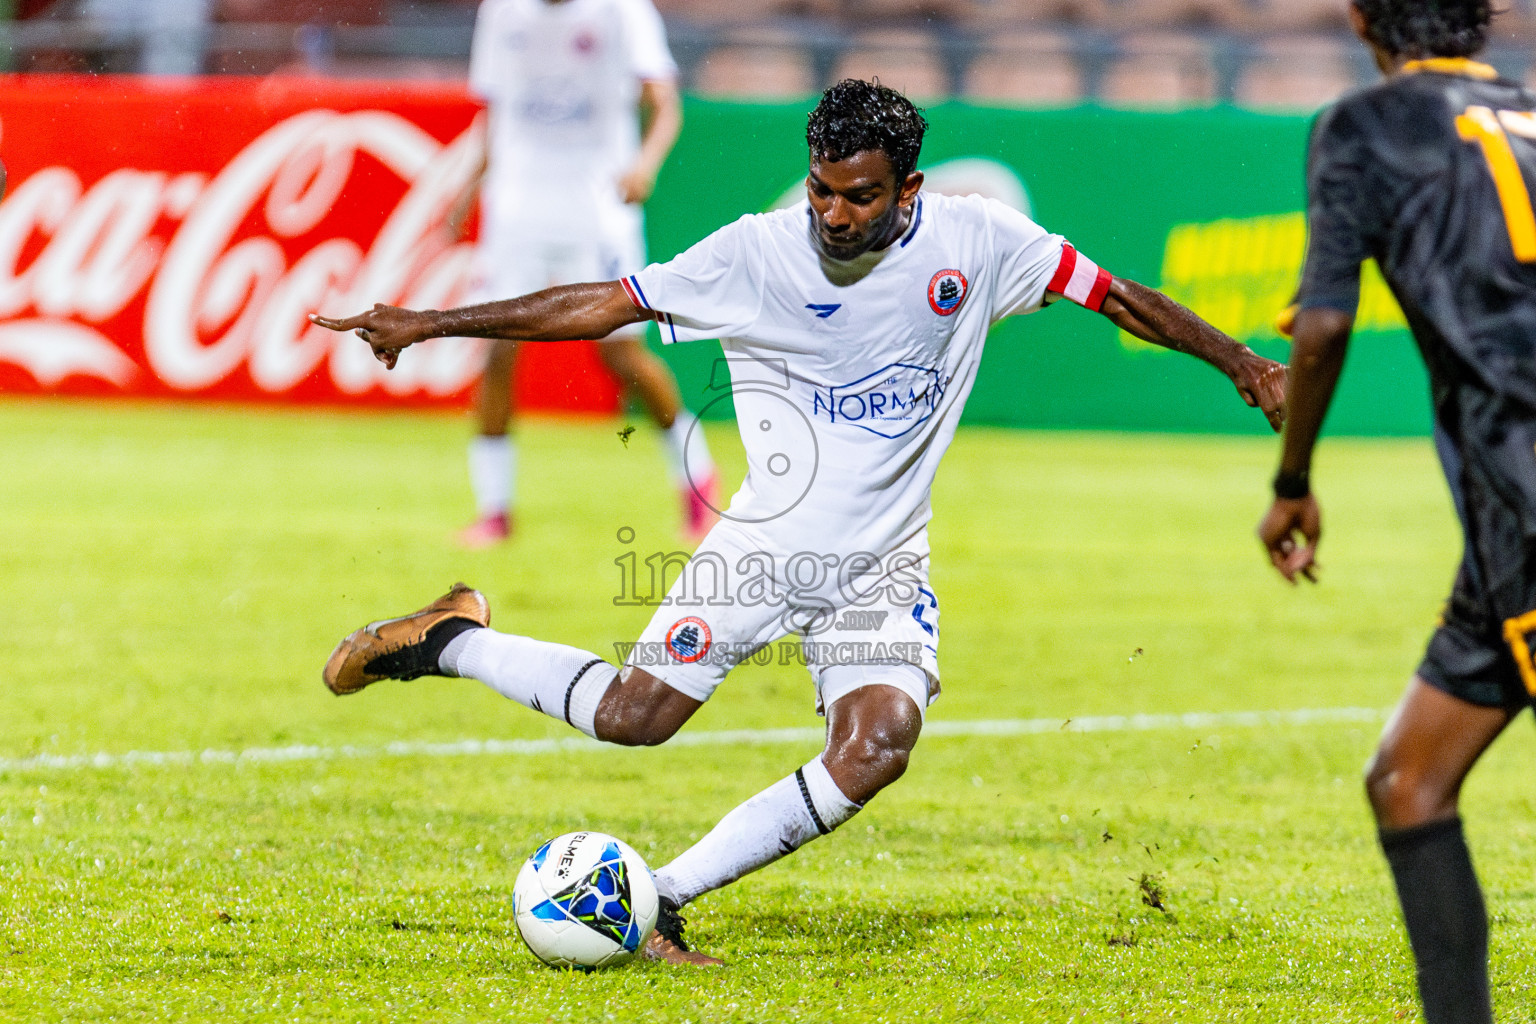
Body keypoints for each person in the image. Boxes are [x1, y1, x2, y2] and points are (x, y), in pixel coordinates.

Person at [313, 79, 1287, 965]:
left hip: (883, 560)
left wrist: (1243, 366)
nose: (832, 212)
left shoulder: (980, 241)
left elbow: (1118, 297)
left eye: (859, 195)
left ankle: (663, 899)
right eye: (823, 188)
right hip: (766, 546)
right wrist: (432, 322)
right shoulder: (758, 253)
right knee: (633, 718)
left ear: (910, 190)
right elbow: (600, 305)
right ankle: (449, 639)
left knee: (876, 748)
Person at [1258, 2, 1533, 1021]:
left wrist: (1292, 481)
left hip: (1527, 495)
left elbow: (1324, 320)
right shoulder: (1528, 115)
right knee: (1408, 777)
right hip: (1506, 530)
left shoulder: (1363, 127)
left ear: (1363, 18)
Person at [455, 0, 717, 547]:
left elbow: (665, 103)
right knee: (496, 347)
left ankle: (697, 484)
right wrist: (468, 189)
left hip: (597, 211)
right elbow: (496, 111)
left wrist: (645, 164)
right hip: (518, 208)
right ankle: (494, 512)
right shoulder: (502, 12)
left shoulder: (622, 10)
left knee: (621, 354)